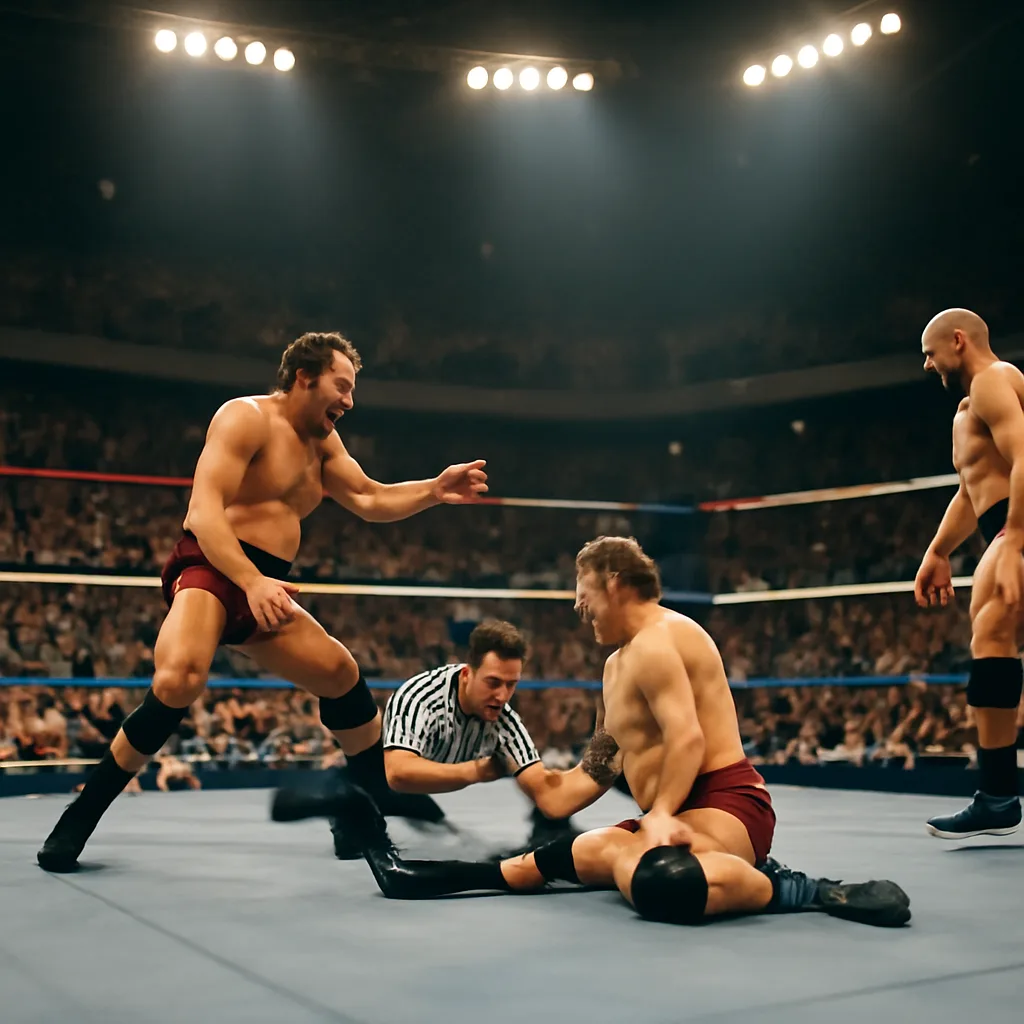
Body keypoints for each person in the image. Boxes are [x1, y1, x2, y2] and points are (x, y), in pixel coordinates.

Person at [281, 537, 911, 928]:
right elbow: (595, 772)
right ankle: (442, 874)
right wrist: (520, 776)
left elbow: (687, 740)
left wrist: (659, 815)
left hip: (725, 805)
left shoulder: (659, 639)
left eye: (582, 591)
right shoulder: (615, 666)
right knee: (557, 859)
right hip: (670, 816)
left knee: (661, 881)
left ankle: (799, 888)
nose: (576, 605)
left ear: (613, 582)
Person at [37, 331, 487, 872]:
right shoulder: (244, 418)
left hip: (266, 585)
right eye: (341, 386)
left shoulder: (323, 445)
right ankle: (82, 814)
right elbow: (203, 512)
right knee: (179, 679)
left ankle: (362, 806)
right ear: (305, 378)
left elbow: (369, 496)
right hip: (213, 566)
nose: (349, 401)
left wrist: (433, 489)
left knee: (341, 675)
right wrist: (250, 581)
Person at [275, 619, 584, 851]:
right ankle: (336, 797)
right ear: (467, 674)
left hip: (410, 791)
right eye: (493, 682)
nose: (502, 695)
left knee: (435, 822)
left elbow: (540, 783)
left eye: (511, 684)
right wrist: (475, 771)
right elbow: (398, 774)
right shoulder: (422, 697)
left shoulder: (504, 719)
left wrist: (554, 811)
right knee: (357, 836)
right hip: (375, 774)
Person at [916, 308, 1023, 838]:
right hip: (1001, 525)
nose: (927, 364)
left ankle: (999, 796)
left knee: (994, 635)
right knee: (991, 638)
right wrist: (938, 551)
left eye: (930, 353)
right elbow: (971, 490)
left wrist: (1017, 538)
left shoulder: (993, 380)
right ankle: (998, 796)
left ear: (958, 340)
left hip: (1016, 527)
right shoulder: (969, 408)